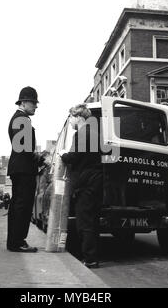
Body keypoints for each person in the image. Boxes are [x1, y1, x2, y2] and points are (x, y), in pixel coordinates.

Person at [59, 104, 103, 268]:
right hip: (96, 181)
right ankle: (93, 256)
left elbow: (75, 157)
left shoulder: (82, 133)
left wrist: (63, 155)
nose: (70, 121)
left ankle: (90, 259)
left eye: (71, 117)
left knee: (84, 223)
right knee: (92, 221)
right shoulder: (95, 134)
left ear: (78, 117)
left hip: (86, 184)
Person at [7, 86, 44, 252]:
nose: (36, 106)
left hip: (19, 169)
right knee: (23, 206)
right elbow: (26, 149)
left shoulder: (18, 119)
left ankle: (14, 241)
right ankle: (18, 242)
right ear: (23, 102)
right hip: (24, 170)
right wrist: (42, 158)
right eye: (33, 102)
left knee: (17, 206)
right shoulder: (22, 120)